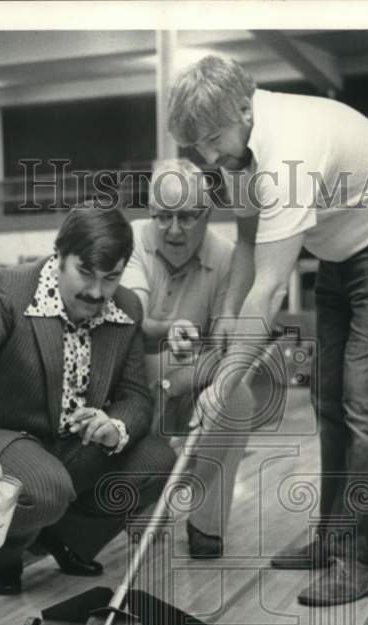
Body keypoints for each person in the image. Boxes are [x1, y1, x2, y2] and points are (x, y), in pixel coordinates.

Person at [167, 55, 368, 605]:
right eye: (195, 145)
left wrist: (223, 385)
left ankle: (361, 562)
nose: (206, 156)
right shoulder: (235, 148)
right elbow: (248, 244)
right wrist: (227, 318)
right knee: (327, 395)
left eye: (210, 140)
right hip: (343, 250)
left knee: (364, 400)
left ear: (244, 108)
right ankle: (332, 537)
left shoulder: (289, 149)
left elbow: (271, 291)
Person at [0, 204, 176, 595]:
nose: (96, 291)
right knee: (46, 487)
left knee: (158, 460)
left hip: (66, 449)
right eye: (85, 273)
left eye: (111, 278)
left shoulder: (125, 308)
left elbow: (136, 397)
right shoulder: (10, 291)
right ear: (59, 256)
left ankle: (67, 537)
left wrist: (114, 426)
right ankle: (1, 556)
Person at [122, 159, 254, 558]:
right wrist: (169, 330)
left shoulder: (229, 257)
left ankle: (205, 524)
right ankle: (142, 499)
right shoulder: (130, 240)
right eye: (163, 217)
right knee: (139, 529)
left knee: (238, 397)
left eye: (187, 217)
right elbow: (136, 321)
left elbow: (224, 349)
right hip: (132, 383)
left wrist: (178, 380)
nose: (175, 229)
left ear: (208, 213)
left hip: (193, 380)